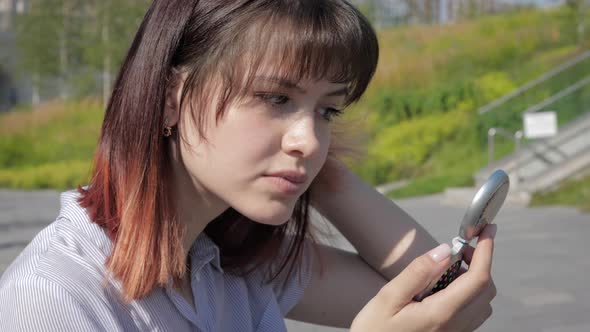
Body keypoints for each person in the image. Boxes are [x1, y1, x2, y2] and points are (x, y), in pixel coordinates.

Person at [0, 0, 497, 331]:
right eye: (275, 97)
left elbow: (453, 305)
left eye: (329, 110)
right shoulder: (54, 296)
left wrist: (318, 173)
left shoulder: (229, 258)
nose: (309, 139)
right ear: (171, 98)